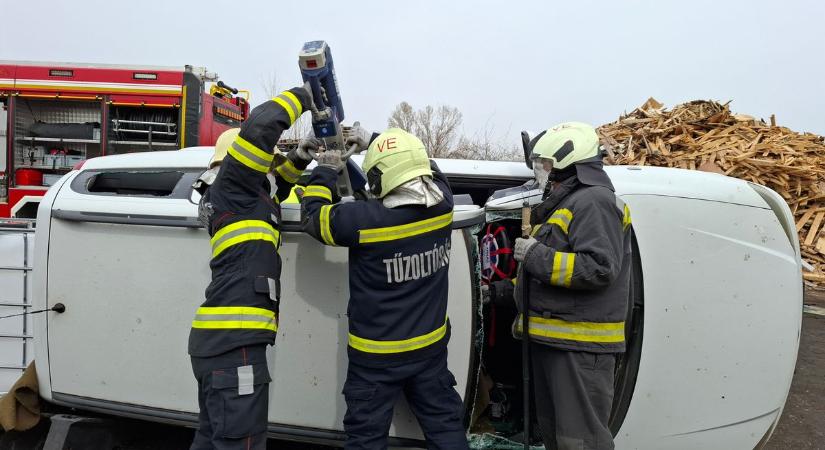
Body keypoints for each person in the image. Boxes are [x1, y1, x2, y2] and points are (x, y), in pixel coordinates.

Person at [300, 127, 470, 450]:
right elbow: (431, 168)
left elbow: (313, 217)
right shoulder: (443, 205)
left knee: (365, 439)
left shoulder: (362, 220)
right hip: (429, 352)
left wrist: (324, 169)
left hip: (375, 360)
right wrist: (377, 139)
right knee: (446, 426)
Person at [487, 122, 632, 450]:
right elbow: (543, 283)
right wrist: (496, 293)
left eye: (548, 165)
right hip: (556, 342)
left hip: (579, 349)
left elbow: (598, 268)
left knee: (579, 442)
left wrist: (536, 254)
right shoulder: (569, 203)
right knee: (557, 438)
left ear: (570, 163)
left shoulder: (594, 201)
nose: (542, 172)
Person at [187, 85, 313, 450]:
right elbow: (259, 127)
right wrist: (306, 97)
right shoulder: (233, 185)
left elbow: (274, 189)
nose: (269, 168)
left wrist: (300, 160)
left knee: (213, 440)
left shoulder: (237, 196)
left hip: (223, 344)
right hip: (235, 344)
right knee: (241, 444)